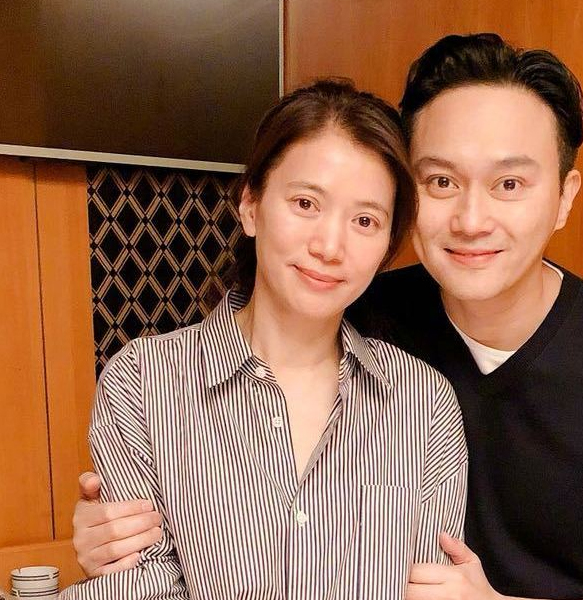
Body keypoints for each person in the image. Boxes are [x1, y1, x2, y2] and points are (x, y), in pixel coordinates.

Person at [70, 34, 583, 600]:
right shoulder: (353, 308)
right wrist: (107, 537)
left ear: (563, 197)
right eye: (441, 181)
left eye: (509, 184)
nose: (472, 219)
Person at [59, 79, 468, 600]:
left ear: (387, 245)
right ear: (251, 205)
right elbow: (141, 584)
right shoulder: (142, 382)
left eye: (365, 220)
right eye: (305, 203)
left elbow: (428, 589)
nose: (329, 245)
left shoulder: (423, 402)